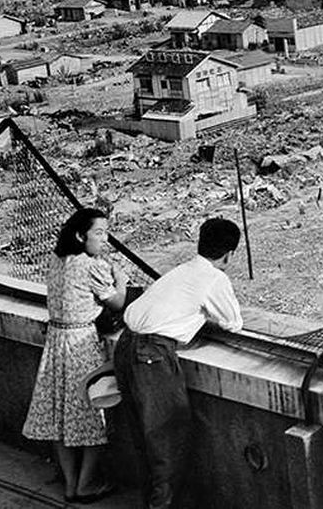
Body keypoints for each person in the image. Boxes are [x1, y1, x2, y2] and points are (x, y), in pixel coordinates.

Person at [113, 217, 244, 509]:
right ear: (229, 254)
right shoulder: (214, 277)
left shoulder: (181, 270)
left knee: (144, 440)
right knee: (167, 439)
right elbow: (233, 322)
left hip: (126, 344)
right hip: (152, 354)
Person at [23, 207, 127, 504]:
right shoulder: (91, 265)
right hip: (81, 342)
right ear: (81, 235)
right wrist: (120, 278)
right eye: (99, 233)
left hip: (55, 342)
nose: (104, 239)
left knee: (60, 417)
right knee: (93, 412)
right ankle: (86, 485)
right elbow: (118, 302)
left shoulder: (55, 260)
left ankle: (70, 484)